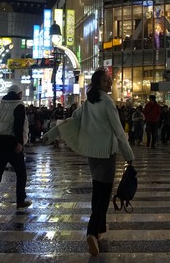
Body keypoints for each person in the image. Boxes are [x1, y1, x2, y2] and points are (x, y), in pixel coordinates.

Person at [52, 68, 134, 256]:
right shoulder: (107, 103)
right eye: (106, 80)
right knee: (103, 195)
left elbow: (72, 120)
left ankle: (99, 230)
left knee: (98, 190)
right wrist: (129, 155)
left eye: (109, 80)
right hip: (106, 153)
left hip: (92, 153)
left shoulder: (89, 102)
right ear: (98, 83)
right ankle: (91, 231)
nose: (109, 83)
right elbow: (119, 131)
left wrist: (51, 135)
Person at [0, 84, 31, 216]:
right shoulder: (19, 105)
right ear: (18, 94)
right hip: (12, 142)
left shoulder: (1, 105)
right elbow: (18, 125)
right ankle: (20, 201)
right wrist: (19, 142)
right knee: (21, 173)